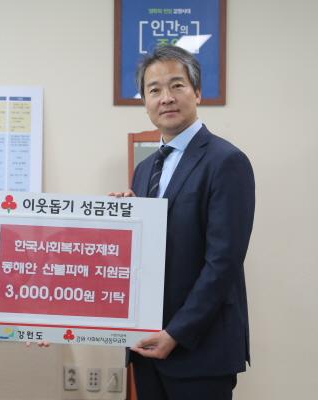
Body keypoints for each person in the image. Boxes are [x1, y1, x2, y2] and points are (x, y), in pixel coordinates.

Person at [111, 45, 255, 399]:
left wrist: (176, 333)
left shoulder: (226, 161)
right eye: (154, 89)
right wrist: (124, 221)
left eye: (177, 85)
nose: (166, 98)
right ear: (144, 101)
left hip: (200, 348)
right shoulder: (144, 169)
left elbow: (223, 262)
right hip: (147, 343)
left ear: (197, 92)